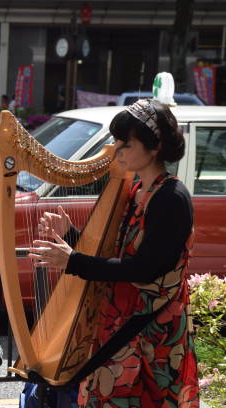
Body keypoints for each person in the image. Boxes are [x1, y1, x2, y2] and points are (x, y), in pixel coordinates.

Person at [29, 99, 198, 407]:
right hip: (124, 325)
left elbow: (143, 269)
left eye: (126, 143)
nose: (117, 150)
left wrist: (73, 261)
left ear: (154, 147)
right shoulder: (138, 192)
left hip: (150, 330)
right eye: (117, 141)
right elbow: (118, 252)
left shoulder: (171, 198)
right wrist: (70, 234)